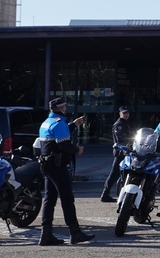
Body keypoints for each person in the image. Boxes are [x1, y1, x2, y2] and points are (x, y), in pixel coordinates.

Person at [35, 97, 95, 246]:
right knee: (67, 199)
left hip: (47, 166)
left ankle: (46, 234)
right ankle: (75, 233)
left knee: (50, 199)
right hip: (58, 166)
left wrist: (73, 125)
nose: (66, 109)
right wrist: (77, 149)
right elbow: (64, 145)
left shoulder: (47, 123)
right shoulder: (59, 123)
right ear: (62, 109)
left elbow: (57, 135)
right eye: (65, 107)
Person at [101, 105, 133, 203]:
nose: (126, 115)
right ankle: (105, 194)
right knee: (114, 174)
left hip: (126, 152)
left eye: (127, 113)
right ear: (120, 114)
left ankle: (124, 194)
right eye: (124, 113)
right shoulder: (119, 124)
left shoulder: (125, 123)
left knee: (124, 173)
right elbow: (121, 139)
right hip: (121, 152)